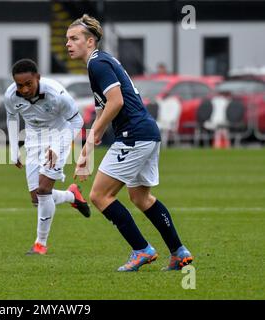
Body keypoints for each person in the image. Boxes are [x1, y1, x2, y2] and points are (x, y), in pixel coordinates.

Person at [66, 14, 193, 271]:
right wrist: (87, 150)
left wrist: (89, 145)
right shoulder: (102, 62)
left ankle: (142, 250)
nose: (68, 43)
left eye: (74, 38)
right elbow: (103, 109)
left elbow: (117, 102)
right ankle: (179, 252)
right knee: (140, 197)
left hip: (133, 136)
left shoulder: (97, 64)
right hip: (147, 133)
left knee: (99, 195)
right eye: (67, 38)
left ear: (90, 41)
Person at [4, 59, 91, 255]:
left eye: (28, 84)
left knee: (44, 190)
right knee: (36, 198)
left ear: (38, 78)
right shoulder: (10, 95)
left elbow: (77, 122)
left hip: (59, 134)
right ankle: (72, 195)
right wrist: (13, 149)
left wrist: (57, 146)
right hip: (33, 138)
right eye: (20, 85)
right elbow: (11, 117)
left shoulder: (57, 94)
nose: (24, 89)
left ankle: (40, 244)